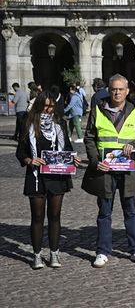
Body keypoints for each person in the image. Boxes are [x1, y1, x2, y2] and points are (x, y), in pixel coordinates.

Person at [82, 74, 135, 268]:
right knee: (104, 212)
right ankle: (102, 251)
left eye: (121, 89)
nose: (117, 92)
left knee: (130, 210)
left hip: (128, 169)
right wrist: (95, 161)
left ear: (127, 91)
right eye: (114, 89)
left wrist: (134, 144)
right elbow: (89, 137)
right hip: (105, 169)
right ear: (108, 90)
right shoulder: (98, 109)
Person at [15, 91, 81, 269]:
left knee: (55, 216)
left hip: (57, 175)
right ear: (39, 105)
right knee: (37, 216)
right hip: (36, 176)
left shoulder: (60, 124)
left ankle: (54, 253)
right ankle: (37, 255)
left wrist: (72, 158)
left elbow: (66, 147)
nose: (49, 109)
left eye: (52, 106)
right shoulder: (28, 123)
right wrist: (29, 160)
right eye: (46, 106)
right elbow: (20, 151)